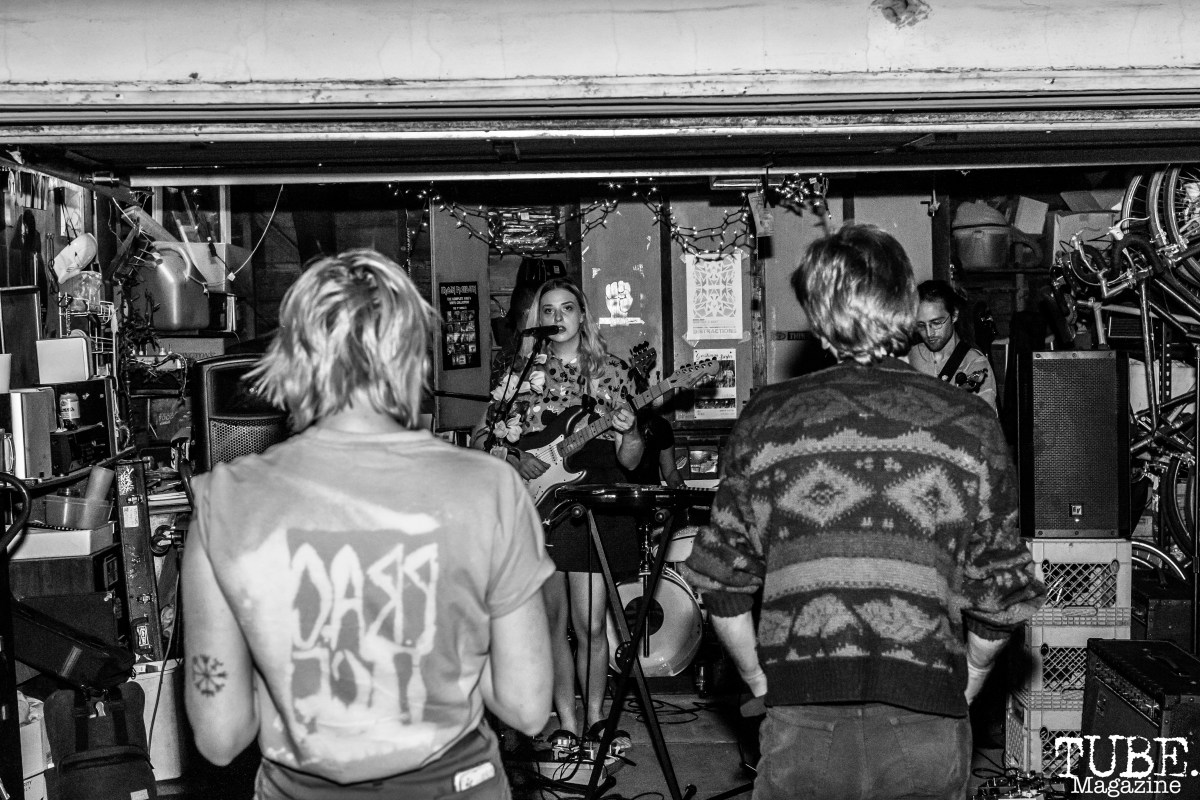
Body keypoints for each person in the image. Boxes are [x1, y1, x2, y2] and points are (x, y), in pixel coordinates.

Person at [683, 224, 1045, 800]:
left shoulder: (767, 419)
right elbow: (1003, 594)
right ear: (905, 306)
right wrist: (965, 687)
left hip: (801, 724)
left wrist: (761, 685)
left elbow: (721, 584)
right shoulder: (970, 422)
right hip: (927, 722)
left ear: (817, 312)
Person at [183, 249, 555, 800]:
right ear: (411, 357)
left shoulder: (223, 501)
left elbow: (220, 737)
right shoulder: (490, 489)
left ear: (294, 358)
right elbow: (526, 706)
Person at [475, 276, 644, 743]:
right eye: (547, 311)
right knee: (553, 621)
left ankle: (595, 717)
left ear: (582, 315)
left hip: (593, 505)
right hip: (540, 506)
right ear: (538, 319)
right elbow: (481, 436)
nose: (557, 318)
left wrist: (631, 432)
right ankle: (566, 723)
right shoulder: (519, 374)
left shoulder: (613, 372)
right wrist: (513, 456)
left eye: (566, 308)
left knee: (590, 623)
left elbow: (632, 460)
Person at [907, 279, 999, 412]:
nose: (929, 333)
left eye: (936, 323)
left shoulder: (976, 365)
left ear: (954, 315)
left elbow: (982, 421)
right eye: (921, 325)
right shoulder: (910, 356)